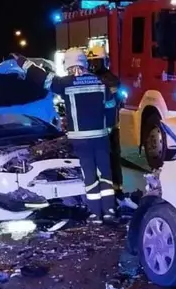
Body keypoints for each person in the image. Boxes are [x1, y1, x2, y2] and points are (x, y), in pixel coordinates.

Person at [11, 49, 118, 224]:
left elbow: (42, 78)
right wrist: (109, 127)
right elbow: (111, 105)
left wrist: (23, 62)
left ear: (68, 64)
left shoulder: (66, 83)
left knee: (89, 175)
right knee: (105, 173)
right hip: (101, 137)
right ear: (85, 63)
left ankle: (95, 215)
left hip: (80, 139)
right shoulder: (101, 82)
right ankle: (110, 212)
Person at [88, 46, 125, 200]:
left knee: (111, 159)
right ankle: (110, 191)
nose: (93, 64)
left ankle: (115, 190)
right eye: (91, 61)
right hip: (100, 127)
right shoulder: (104, 79)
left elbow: (115, 102)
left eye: (95, 61)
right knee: (105, 159)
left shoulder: (110, 80)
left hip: (108, 128)